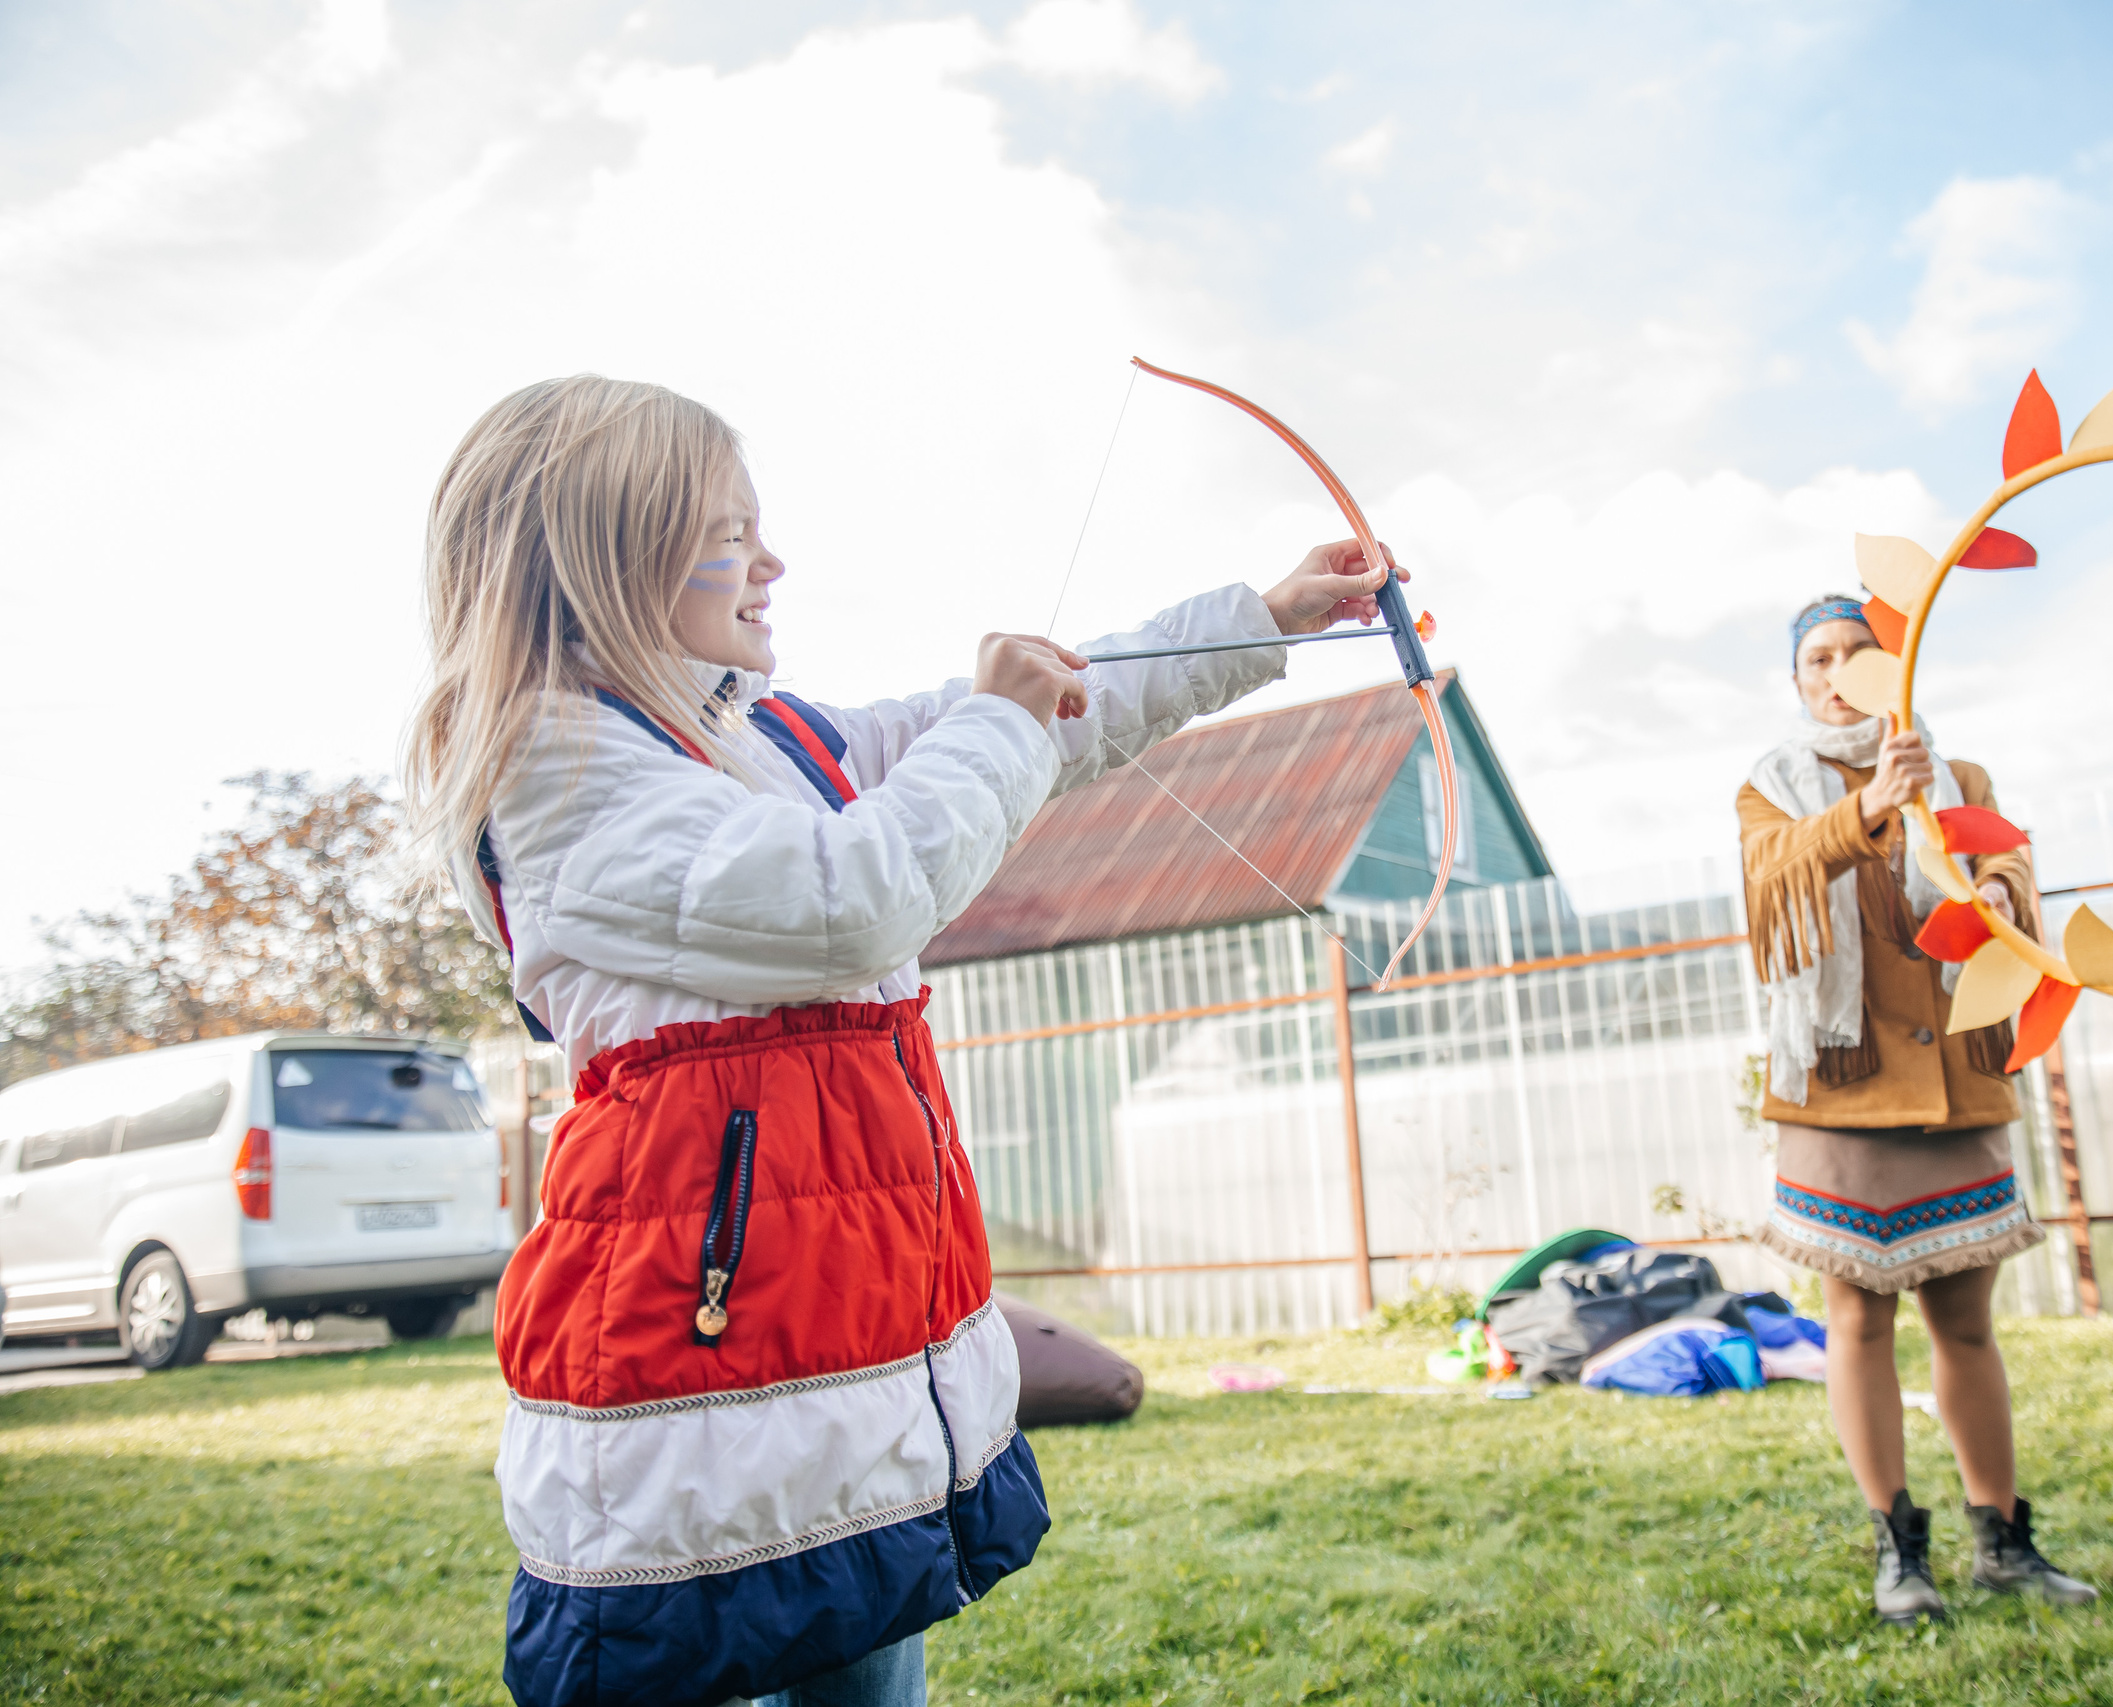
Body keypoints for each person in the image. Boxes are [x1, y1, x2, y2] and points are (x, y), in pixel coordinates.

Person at [403, 376, 1405, 1706]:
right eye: (729, 530)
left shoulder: (764, 738)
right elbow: (851, 893)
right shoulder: (561, 769)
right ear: (611, 555)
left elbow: (1044, 716)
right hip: (703, 1380)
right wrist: (996, 717)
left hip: (839, 1342)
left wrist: (1256, 618)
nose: (772, 562)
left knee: (867, 1656)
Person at [1738, 594, 2098, 1627]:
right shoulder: (1769, 787)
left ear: (1893, 664)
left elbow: (2012, 879)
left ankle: (2004, 1544)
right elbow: (1770, 887)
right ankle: (1901, 1553)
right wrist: (1869, 809)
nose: (1837, 669)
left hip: (1955, 1076)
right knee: (1855, 1321)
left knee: (1966, 1324)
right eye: (1817, 658)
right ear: (1799, 680)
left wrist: (1991, 882)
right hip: (1840, 1086)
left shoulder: (1962, 777)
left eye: (1856, 650)